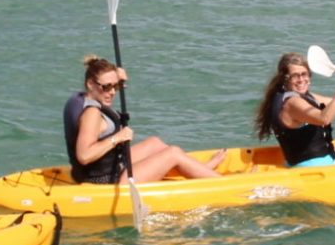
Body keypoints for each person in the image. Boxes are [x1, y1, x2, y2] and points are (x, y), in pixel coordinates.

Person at [64, 57, 221, 185]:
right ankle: (221, 183)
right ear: (90, 84)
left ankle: (198, 170)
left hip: (107, 167)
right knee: (173, 153)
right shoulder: (91, 114)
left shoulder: (79, 98)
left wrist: (116, 78)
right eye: (106, 87)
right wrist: (117, 138)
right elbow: (84, 156)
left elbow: (98, 73)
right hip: (109, 180)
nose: (112, 92)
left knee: (155, 143)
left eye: (115, 86)